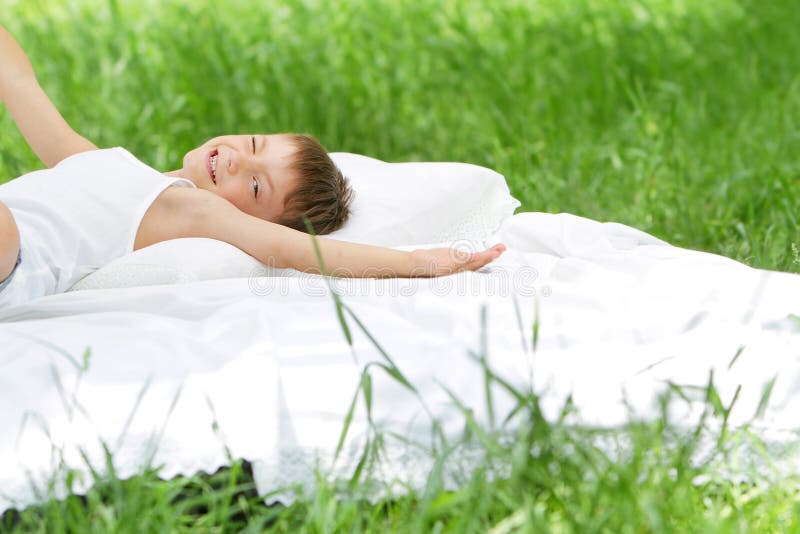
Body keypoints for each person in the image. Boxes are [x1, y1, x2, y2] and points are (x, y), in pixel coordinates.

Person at [0, 25, 506, 307]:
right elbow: (21, 87)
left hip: (17, 261)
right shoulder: (108, 165)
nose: (239, 159)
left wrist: (416, 263)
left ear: (250, 220)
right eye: (254, 143)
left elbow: (292, 249)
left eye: (257, 185)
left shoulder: (193, 211)